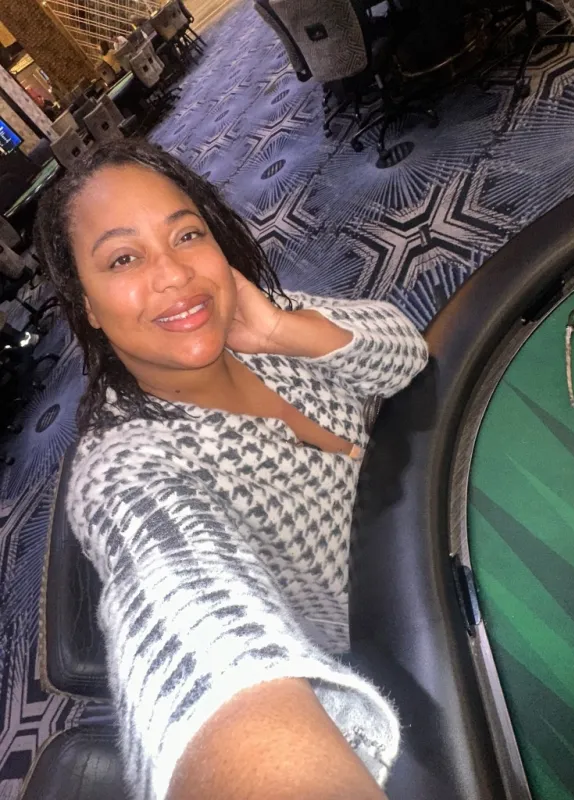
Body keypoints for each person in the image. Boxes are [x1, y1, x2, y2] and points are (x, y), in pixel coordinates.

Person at [33, 139, 428, 800]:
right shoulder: (129, 470)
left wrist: (282, 332)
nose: (174, 275)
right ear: (88, 307)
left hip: (438, 509)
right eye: (124, 258)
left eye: (186, 235)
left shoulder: (249, 327)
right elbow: (188, 614)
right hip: (402, 642)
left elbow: (408, 353)